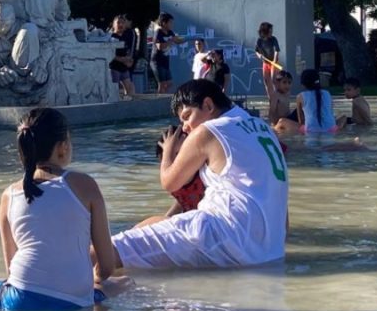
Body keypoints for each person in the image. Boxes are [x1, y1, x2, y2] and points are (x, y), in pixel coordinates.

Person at [0, 108, 124, 311]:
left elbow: (11, 269)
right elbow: (107, 267)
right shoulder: (85, 185)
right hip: (75, 299)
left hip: (19, 297)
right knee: (124, 283)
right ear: (62, 148)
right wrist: (91, 282)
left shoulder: (9, 195)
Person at [108, 79, 288, 269]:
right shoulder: (264, 129)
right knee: (152, 226)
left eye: (187, 116)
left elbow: (169, 182)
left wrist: (168, 150)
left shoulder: (209, 131)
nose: (185, 126)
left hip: (223, 235)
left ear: (208, 105)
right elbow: (284, 219)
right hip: (269, 252)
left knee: (110, 250)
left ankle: (76, 278)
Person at [276, 69, 337, 134]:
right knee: (343, 118)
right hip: (332, 128)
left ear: (303, 84)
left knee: (281, 121)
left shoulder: (300, 96)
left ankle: (272, 132)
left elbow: (301, 121)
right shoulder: (327, 93)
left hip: (311, 130)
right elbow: (330, 113)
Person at [150, 12, 184, 94]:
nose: (172, 24)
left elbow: (178, 41)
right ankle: (159, 101)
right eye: (170, 22)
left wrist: (189, 38)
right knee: (161, 84)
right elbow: (160, 46)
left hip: (165, 61)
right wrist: (170, 40)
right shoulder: (158, 33)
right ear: (164, 23)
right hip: (156, 61)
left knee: (169, 83)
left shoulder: (170, 32)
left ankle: (161, 95)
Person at [108, 15, 135, 97]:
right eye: (118, 23)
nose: (121, 25)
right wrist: (122, 59)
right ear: (114, 25)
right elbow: (109, 54)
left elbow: (130, 51)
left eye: (123, 23)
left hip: (124, 67)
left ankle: (128, 105)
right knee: (115, 90)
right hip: (114, 67)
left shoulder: (127, 36)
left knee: (130, 88)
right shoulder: (110, 37)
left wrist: (130, 60)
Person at [255, 22, 280, 98]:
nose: (271, 32)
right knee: (266, 81)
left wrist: (274, 61)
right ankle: (270, 98)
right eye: (270, 30)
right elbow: (256, 51)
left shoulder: (273, 39)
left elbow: (277, 51)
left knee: (273, 80)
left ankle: (277, 97)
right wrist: (259, 56)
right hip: (265, 63)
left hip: (274, 62)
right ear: (265, 31)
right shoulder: (259, 41)